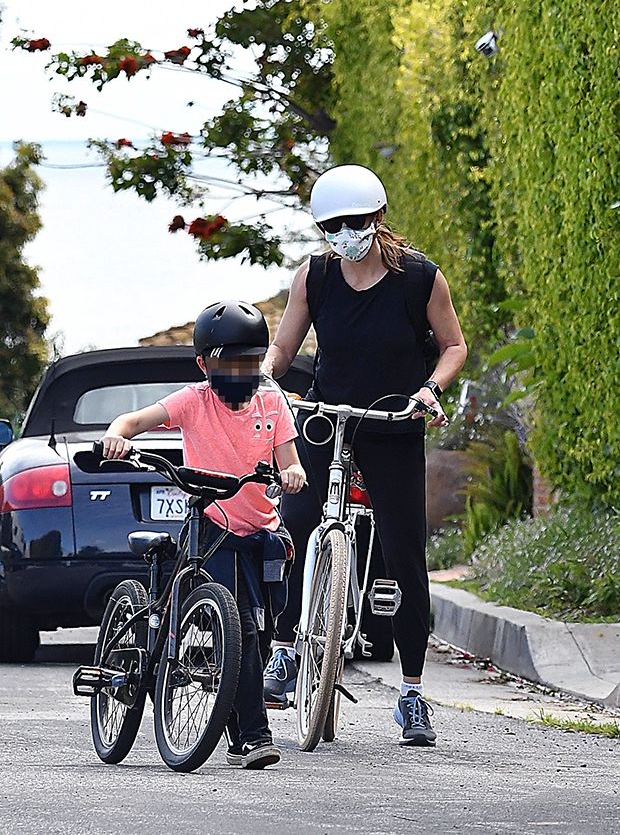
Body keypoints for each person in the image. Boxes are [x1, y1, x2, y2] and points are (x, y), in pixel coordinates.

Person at [261, 164, 467, 746]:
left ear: (376, 218)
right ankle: (283, 649)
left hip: (392, 422)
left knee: (404, 554)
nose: (343, 234)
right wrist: (268, 380)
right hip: (326, 418)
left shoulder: (419, 279)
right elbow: (284, 345)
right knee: (296, 523)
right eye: (331, 225)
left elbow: (453, 346)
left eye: (352, 223)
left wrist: (429, 392)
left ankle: (412, 694)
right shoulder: (316, 277)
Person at [101, 300, 306, 769]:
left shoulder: (271, 401)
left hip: (263, 533)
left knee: (264, 630)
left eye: (250, 362)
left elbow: (289, 459)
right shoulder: (193, 401)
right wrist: (118, 435)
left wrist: (292, 473)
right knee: (246, 632)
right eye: (228, 363)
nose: (240, 371)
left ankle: (238, 715)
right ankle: (251, 738)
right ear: (205, 364)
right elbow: (133, 421)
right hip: (215, 527)